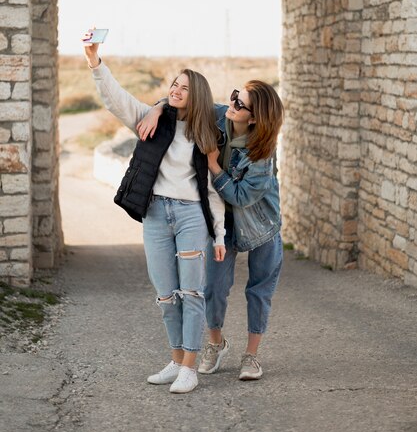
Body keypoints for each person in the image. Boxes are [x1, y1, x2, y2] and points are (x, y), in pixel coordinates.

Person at [82, 32, 226, 394]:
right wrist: (95, 61)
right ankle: (176, 360)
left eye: (184, 88)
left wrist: (220, 233)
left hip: (192, 214)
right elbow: (116, 100)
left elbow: (211, 188)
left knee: (192, 292)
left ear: (198, 96)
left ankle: (190, 367)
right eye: (174, 85)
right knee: (166, 294)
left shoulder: (209, 133)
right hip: (156, 214)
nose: (176, 90)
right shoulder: (152, 119)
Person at [137, 81, 284, 381]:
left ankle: (251, 356)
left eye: (240, 104)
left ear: (254, 118)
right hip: (223, 221)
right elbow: (185, 100)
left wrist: (214, 166)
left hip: (261, 224)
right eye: (234, 97)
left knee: (259, 290)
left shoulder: (262, 154)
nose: (232, 104)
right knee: (213, 288)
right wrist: (156, 108)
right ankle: (216, 344)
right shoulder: (219, 116)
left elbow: (242, 196)